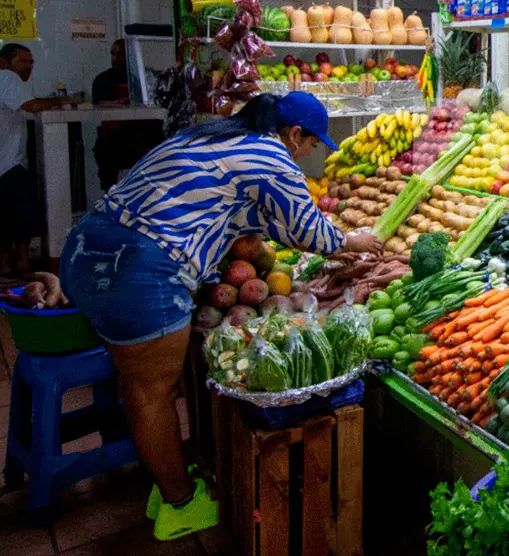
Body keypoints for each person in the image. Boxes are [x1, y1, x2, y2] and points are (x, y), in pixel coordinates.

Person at [59, 92, 382, 541]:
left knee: (140, 386)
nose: (310, 152)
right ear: (294, 134)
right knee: (150, 391)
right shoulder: (272, 155)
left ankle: (164, 478)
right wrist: (352, 241)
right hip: (136, 269)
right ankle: (179, 505)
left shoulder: (216, 135)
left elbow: (252, 217)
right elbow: (307, 230)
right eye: (311, 144)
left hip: (87, 249)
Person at [0, 43, 69, 274]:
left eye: (31, 62)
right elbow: (32, 106)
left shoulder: (7, 84)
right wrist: (63, 100)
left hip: (6, 161)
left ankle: (10, 265)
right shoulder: (7, 78)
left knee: (8, 215)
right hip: (9, 162)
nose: (28, 67)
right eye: (22, 61)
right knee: (26, 213)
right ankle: (21, 264)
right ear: (5, 62)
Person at [91, 39, 162, 190]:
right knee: (110, 185)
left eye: (121, 54)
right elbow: (99, 104)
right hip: (112, 139)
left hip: (139, 139)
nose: (116, 58)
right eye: (113, 54)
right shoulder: (102, 80)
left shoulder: (143, 79)